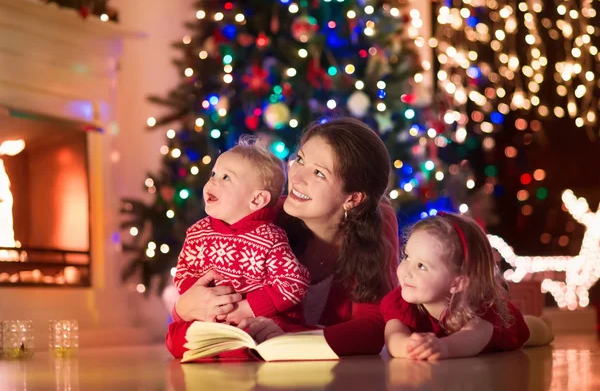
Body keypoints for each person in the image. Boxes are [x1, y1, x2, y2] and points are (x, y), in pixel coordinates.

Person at [166, 117, 400, 359]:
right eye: (300, 159)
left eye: (319, 173)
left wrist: (290, 336)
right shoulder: (260, 218)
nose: (296, 178)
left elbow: (372, 329)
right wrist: (182, 308)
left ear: (353, 199)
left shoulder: (377, 221)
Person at [173, 136, 310, 326]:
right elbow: (184, 271)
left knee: (254, 335)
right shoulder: (198, 232)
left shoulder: (270, 238)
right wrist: (201, 298)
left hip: (256, 318)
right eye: (213, 174)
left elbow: (293, 283)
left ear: (256, 200)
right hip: (210, 318)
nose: (212, 182)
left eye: (226, 177)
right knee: (177, 338)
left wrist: (248, 308)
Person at [382, 212, 553, 361]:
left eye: (422, 266)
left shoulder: (479, 310)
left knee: (532, 330)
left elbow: (473, 337)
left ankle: (545, 325)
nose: (406, 271)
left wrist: (444, 347)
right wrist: (409, 348)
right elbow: (393, 336)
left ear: (457, 282)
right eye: (407, 257)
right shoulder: (401, 302)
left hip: (505, 329)